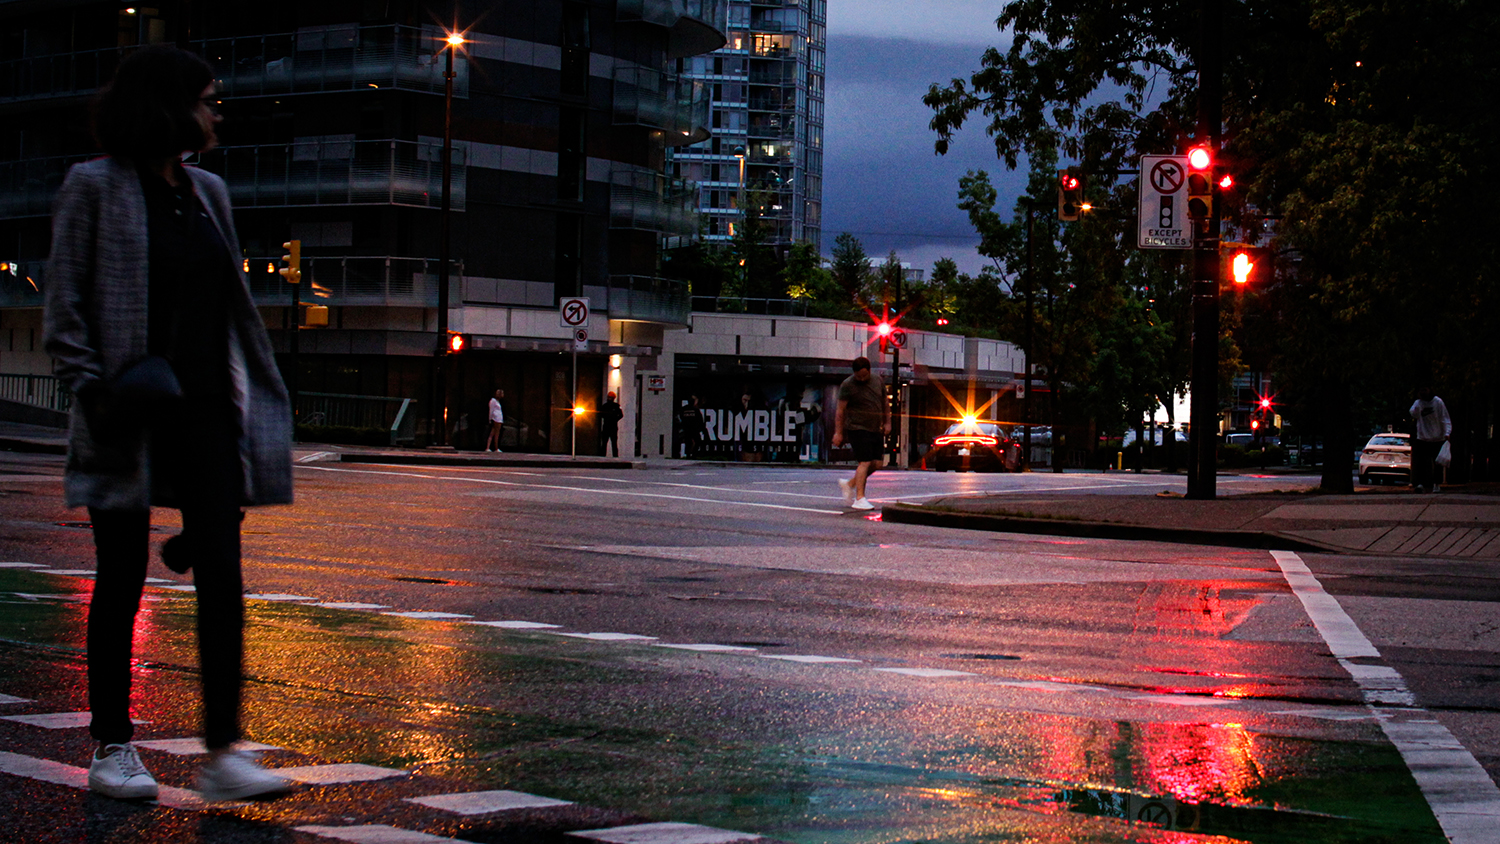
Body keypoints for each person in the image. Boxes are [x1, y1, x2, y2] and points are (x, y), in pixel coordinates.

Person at [42, 45, 294, 803]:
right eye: (207, 99)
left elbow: (228, 312)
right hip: (128, 410)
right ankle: (113, 748)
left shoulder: (210, 192)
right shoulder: (93, 187)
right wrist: (96, 392)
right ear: (166, 103)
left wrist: (250, 406)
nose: (216, 112)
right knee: (118, 579)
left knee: (223, 575)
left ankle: (223, 752)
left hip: (207, 411)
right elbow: (64, 312)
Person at [833, 357, 889, 510]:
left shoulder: (878, 381)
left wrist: (887, 422)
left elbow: (885, 403)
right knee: (864, 461)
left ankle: (850, 483)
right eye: (859, 376)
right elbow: (840, 410)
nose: (862, 379)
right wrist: (838, 432)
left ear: (870, 371)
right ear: (854, 373)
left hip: (875, 428)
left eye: (865, 375)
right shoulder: (848, 385)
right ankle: (859, 498)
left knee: (877, 463)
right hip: (857, 427)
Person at [1409, 385, 1452, 493]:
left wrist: (1447, 432)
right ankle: (1421, 483)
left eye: (1425, 389)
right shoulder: (1418, 403)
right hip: (1423, 437)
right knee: (1422, 463)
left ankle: (1436, 484)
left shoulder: (1437, 402)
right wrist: (1418, 407)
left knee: (1437, 463)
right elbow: (1413, 413)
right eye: (1421, 390)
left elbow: (1444, 417)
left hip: (1437, 437)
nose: (1423, 392)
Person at [600, 391, 624, 457]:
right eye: (609, 397)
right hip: (608, 426)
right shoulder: (605, 406)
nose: (609, 398)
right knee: (606, 443)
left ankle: (614, 456)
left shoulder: (615, 406)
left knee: (612, 443)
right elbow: (601, 414)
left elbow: (621, 415)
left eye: (610, 397)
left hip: (611, 426)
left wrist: (614, 419)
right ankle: (604, 456)